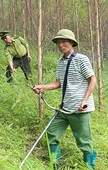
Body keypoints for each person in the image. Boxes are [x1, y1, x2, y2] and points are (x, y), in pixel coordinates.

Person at [32, 29, 97, 170]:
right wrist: (41, 87)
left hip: (79, 109)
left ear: (72, 43)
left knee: (83, 140)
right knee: (52, 132)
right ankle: (54, 163)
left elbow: (92, 79)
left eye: (64, 42)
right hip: (64, 108)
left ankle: (89, 166)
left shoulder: (82, 59)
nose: (61, 45)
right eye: (58, 42)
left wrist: (84, 100)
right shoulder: (60, 62)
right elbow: (58, 83)